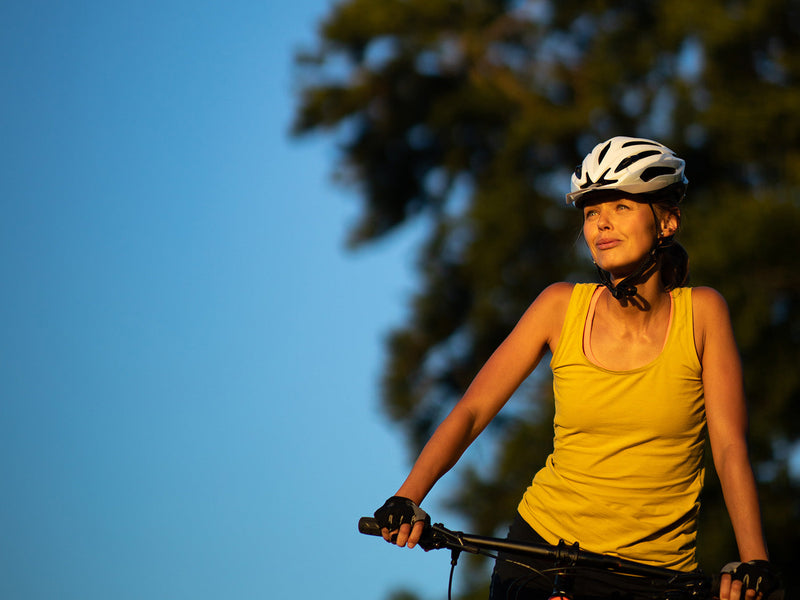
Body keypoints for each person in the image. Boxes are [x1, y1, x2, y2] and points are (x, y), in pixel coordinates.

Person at [372, 137, 782, 600]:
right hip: (541, 555)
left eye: (621, 206)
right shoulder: (559, 306)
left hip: (653, 577)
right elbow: (473, 409)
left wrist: (754, 560)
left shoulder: (704, 314)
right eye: (590, 212)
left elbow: (729, 446)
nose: (601, 222)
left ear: (667, 222)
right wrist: (408, 497)